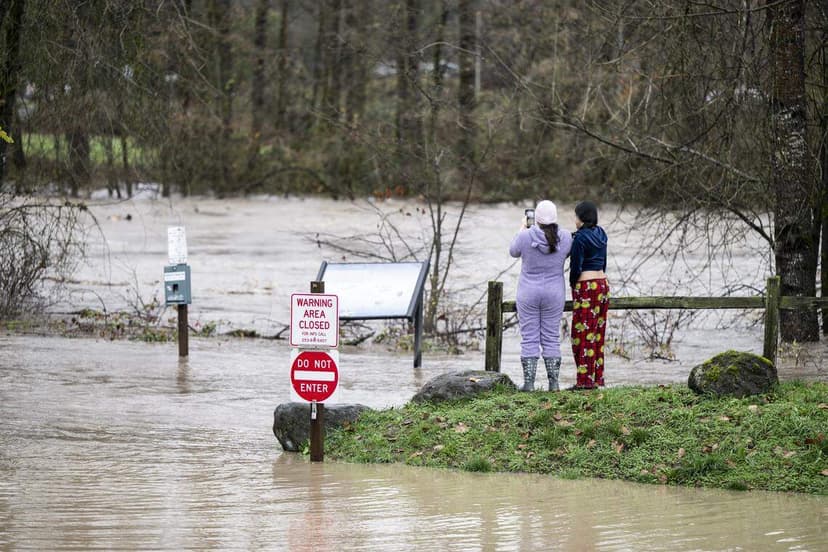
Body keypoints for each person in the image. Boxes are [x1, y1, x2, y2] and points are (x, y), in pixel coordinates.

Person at [509, 200, 573, 391]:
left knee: (529, 338)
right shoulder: (567, 237)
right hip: (554, 293)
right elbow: (567, 252)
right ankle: (553, 383)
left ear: (535, 218)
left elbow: (513, 251)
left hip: (528, 292)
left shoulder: (526, 236)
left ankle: (529, 383)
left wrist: (522, 228)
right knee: (551, 337)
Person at [569, 200, 609, 389]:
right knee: (597, 333)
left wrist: (573, 285)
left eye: (576, 215)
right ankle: (596, 378)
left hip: (586, 286)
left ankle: (584, 382)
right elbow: (604, 261)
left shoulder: (580, 239)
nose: (574, 219)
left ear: (582, 217)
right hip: (602, 284)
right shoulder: (602, 234)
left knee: (582, 334)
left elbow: (575, 267)